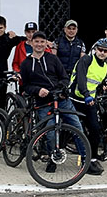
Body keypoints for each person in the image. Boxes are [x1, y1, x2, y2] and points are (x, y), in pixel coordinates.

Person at [19, 31, 91, 175]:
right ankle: (53, 158)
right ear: (32, 43)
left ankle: (86, 160)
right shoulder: (26, 64)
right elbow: (25, 86)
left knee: (76, 127)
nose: (39, 44)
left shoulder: (53, 59)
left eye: (42, 42)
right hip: (43, 102)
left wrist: (60, 88)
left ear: (46, 44)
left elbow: (64, 77)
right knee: (51, 133)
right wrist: (38, 90)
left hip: (61, 99)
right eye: (36, 42)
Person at [71, 38, 107, 174]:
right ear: (95, 49)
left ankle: (92, 159)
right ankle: (52, 159)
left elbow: (96, 83)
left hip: (89, 101)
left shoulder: (105, 67)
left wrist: (103, 87)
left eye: (105, 51)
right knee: (71, 130)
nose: (102, 53)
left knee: (95, 130)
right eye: (100, 49)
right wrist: (86, 94)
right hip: (75, 99)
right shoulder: (87, 60)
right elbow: (81, 79)